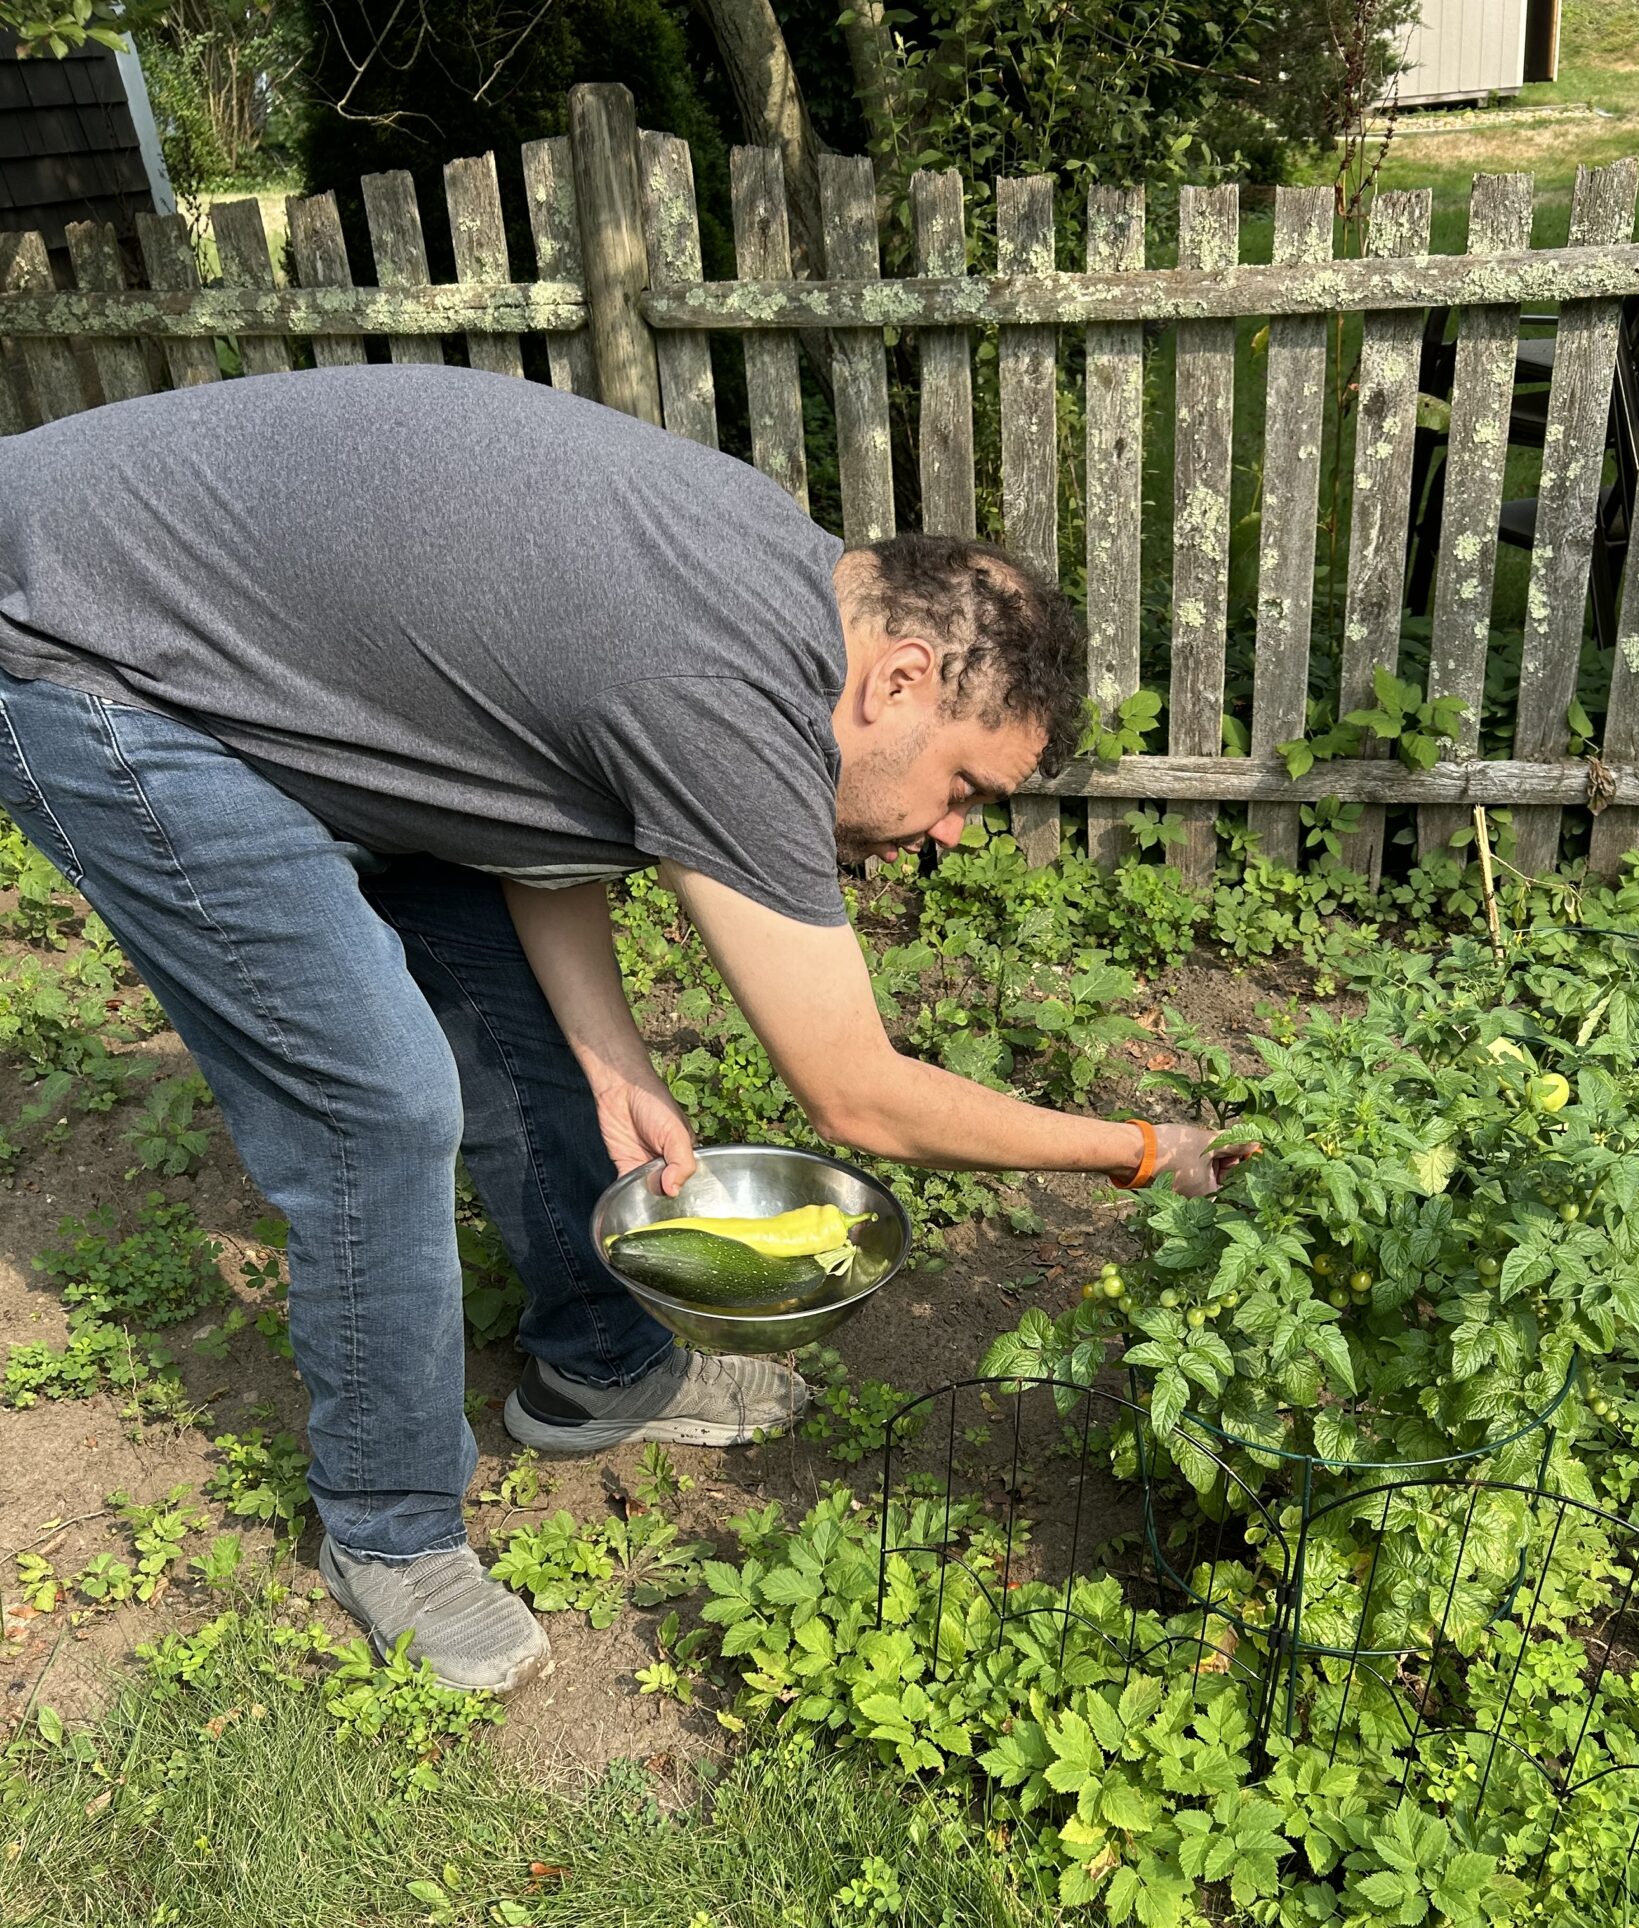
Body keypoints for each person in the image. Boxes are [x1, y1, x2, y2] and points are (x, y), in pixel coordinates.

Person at [0, 362, 1250, 1694]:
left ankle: (599, 1369)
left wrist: (614, 1056)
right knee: (374, 1100)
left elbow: (536, 790)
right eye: (963, 788)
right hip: (90, 651)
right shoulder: (728, 691)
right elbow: (860, 1100)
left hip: (264, 649)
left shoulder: (784, 589)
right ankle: (388, 1528)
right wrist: (1131, 1149)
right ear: (900, 679)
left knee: (519, 1024)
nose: (948, 833)